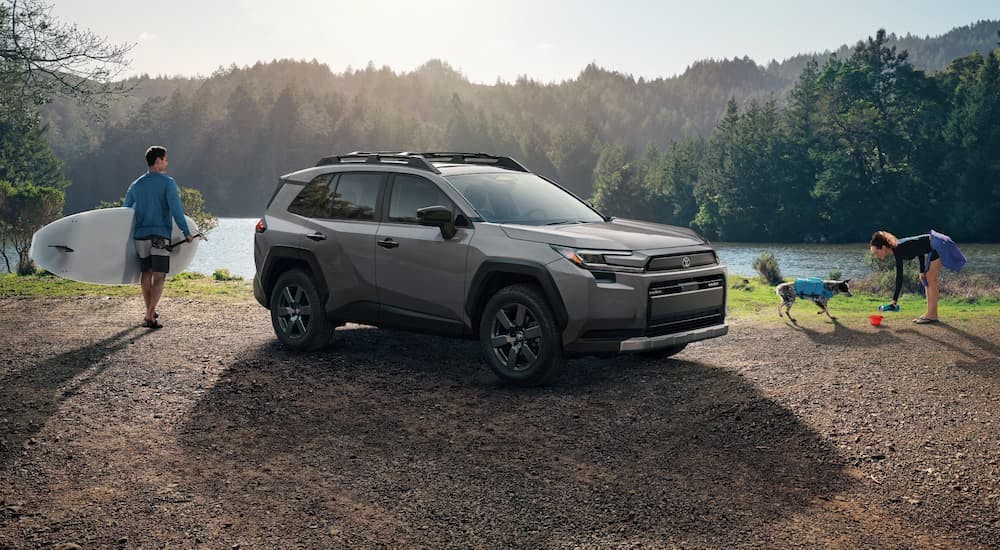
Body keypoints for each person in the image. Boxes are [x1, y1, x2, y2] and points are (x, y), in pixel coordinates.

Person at [123, 146, 193, 329]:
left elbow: (125, 210)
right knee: (160, 275)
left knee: (145, 273)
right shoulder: (167, 183)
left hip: (140, 236)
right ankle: (149, 315)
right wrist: (186, 232)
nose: (167, 162)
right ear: (158, 161)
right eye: (165, 159)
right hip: (160, 235)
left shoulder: (136, 184)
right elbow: (176, 210)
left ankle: (150, 313)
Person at [869, 230, 966, 324]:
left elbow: (899, 277)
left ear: (884, 247)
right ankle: (930, 314)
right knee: (927, 279)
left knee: (930, 279)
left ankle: (932, 316)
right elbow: (919, 251)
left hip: (939, 243)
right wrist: (921, 271)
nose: (876, 256)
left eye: (876, 252)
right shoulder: (897, 248)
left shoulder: (899, 248)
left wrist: (894, 301)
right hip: (936, 243)